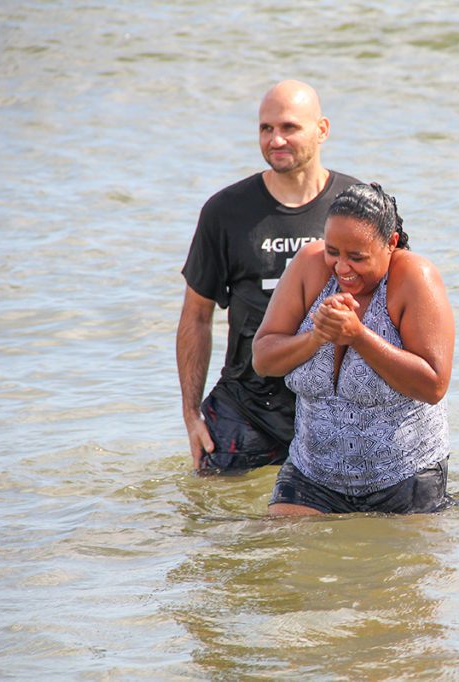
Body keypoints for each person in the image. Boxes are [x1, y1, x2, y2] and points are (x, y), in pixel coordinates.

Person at [176, 80, 359, 472]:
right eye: (266, 128)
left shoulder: (355, 204)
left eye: (289, 127)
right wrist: (191, 415)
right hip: (247, 404)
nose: (276, 140)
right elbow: (196, 315)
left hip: (330, 403)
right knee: (221, 522)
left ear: (322, 129)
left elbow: (392, 304)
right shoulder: (225, 212)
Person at [252, 183, 455, 515]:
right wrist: (315, 337)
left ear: (390, 244)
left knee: (404, 567)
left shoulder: (415, 277)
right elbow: (263, 359)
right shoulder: (309, 265)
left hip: (404, 476)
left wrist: (358, 336)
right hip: (312, 476)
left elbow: (433, 385)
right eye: (333, 251)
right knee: (282, 556)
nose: (342, 267)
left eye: (357, 257)